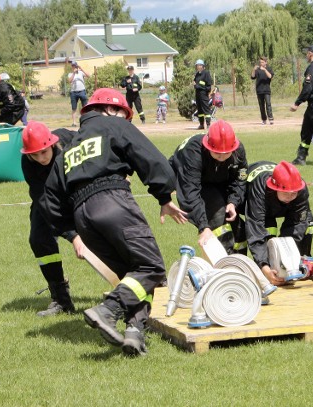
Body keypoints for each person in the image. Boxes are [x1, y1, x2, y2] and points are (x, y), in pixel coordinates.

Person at [41, 88, 188, 356]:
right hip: (112, 202)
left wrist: (72, 232)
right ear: (110, 109)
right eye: (124, 114)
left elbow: (48, 200)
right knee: (151, 268)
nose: (125, 119)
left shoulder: (70, 148)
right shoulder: (113, 125)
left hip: (83, 218)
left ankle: (134, 332)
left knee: (132, 275)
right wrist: (164, 195)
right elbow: (149, 157)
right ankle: (107, 310)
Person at [21, 121, 86, 316]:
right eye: (35, 154)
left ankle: (141, 276)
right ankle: (61, 300)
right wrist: (72, 235)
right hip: (48, 199)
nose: (41, 158)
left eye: (44, 152)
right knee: (39, 239)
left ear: (52, 144)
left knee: (103, 228)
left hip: (78, 193)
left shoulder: (71, 142)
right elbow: (43, 199)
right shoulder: (28, 162)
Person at [169, 120, 248, 253]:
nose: (222, 156)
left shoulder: (238, 150)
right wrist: (203, 226)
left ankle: (241, 264)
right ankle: (224, 265)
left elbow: (240, 179)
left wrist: (233, 202)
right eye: (217, 153)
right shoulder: (193, 153)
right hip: (193, 179)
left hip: (217, 179)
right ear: (208, 146)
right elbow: (190, 192)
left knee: (238, 227)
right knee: (218, 217)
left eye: (227, 153)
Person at [243, 161, 313, 286]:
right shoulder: (260, 188)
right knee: (267, 228)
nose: (290, 196)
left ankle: (299, 262)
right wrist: (264, 266)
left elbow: (297, 224)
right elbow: (255, 226)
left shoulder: (300, 189)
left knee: (309, 221)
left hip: (276, 203)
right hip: (251, 199)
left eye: (293, 193)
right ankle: (266, 268)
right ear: (274, 188)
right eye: (286, 193)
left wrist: (286, 259)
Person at [251, 56, 274, 125]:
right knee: (261, 106)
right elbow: (252, 77)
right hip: (259, 90)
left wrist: (264, 70)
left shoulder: (269, 69)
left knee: (268, 104)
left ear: (266, 62)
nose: (261, 63)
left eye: (262, 62)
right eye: (260, 62)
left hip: (266, 90)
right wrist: (253, 70)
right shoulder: (257, 70)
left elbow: (270, 76)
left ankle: (271, 119)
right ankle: (264, 119)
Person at [193, 59, 213, 130]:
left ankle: (208, 124)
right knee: (200, 110)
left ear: (202, 66)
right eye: (197, 65)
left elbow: (208, 86)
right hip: (198, 94)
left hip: (204, 94)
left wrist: (198, 86)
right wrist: (195, 85)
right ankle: (201, 124)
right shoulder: (197, 74)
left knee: (206, 109)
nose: (198, 66)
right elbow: (195, 83)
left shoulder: (206, 73)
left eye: (199, 65)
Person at [68, 61, 89, 127]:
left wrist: (81, 69)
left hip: (82, 91)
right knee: (74, 108)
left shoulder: (81, 73)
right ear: (72, 67)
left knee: (85, 107)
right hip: (73, 92)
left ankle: (85, 121)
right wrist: (74, 73)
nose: (75, 67)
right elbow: (69, 81)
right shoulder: (70, 74)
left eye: (76, 66)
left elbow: (88, 75)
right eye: (73, 66)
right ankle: (74, 122)